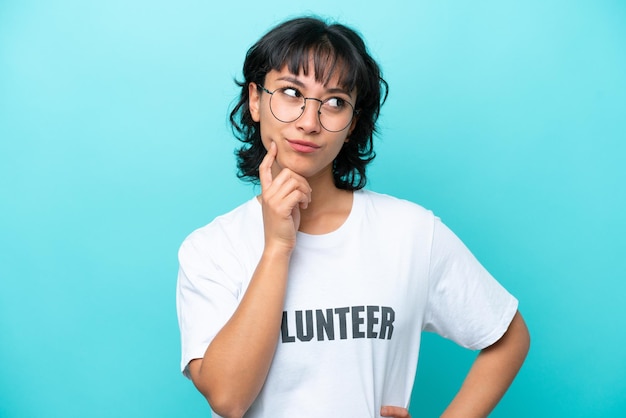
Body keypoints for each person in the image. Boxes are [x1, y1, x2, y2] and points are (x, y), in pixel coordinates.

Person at [176, 16, 530, 418]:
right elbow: (228, 398)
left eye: (334, 103)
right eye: (292, 93)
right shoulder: (210, 248)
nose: (309, 122)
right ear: (256, 101)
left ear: (352, 124)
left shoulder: (410, 232)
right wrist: (277, 247)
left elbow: (508, 335)